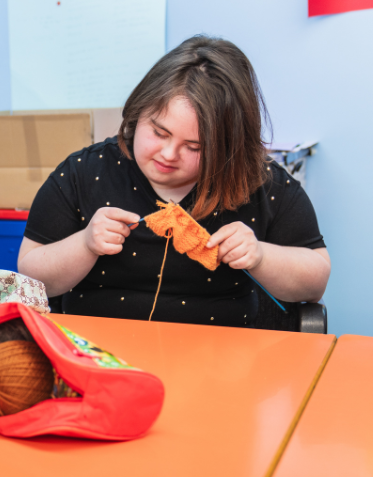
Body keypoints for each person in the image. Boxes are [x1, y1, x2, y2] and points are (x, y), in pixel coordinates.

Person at [17, 35, 330, 326]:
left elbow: (315, 283)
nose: (168, 154)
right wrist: (85, 245)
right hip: (95, 351)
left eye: (195, 147)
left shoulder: (261, 184)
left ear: (229, 149)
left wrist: (261, 255)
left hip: (222, 359)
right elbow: (30, 276)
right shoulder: (84, 172)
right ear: (138, 113)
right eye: (158, 132)